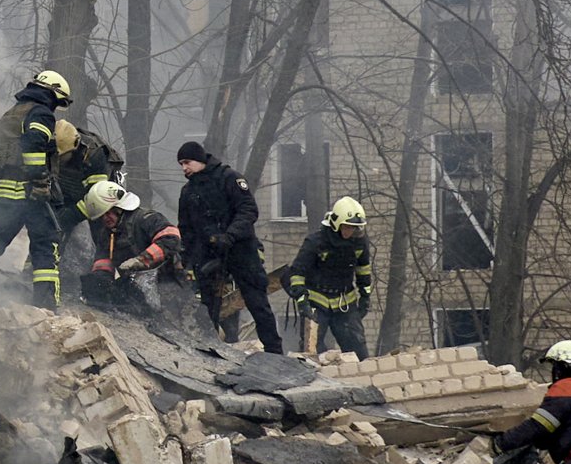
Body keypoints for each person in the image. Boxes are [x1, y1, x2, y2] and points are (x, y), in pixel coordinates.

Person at [0, 70, 72, 309]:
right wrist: (40, 180)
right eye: (58, 101)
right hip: (31, 193)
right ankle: (46, 309)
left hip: (6, 191)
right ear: (52, 93)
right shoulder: (41, 113)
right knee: (44, 246)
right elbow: (33, 144)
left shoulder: (12, 113)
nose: (56, 107)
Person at [176, 141, 284, 353]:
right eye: (181, 164)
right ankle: (207, 353)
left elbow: (248, 210)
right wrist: (188, 261)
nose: (184, 168)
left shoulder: (229, 178)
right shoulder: (188, 192)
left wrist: (230, 236)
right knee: (208, 310)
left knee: (257, 303)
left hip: (241, 251)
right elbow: (186, 229)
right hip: (209, 257)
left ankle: (275, 353)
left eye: (187, 162)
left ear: (200, 159)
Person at [80, 181, 188, 311]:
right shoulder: (107, 235)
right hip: (137, 290)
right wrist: (100, 281)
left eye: (108, 213)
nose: (105, 218)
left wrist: (141, 260)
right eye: (101, 216)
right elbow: (103, 261)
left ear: (119, 208)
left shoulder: (146, 219)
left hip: (168, 283)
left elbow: (171, 238)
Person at [288, 196, 374, 359]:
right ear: (336, 224)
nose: (351, 232)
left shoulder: (359, 243)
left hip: (345, 303)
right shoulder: (316, 242)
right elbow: (297, 272)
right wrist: (302, 301)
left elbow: (363, 270)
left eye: (355, 228)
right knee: (311, 352)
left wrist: (365, 296)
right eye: (347, 227)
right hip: (316, 303)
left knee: (358, 352)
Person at [48, 120, 120, 294]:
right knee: (52, 228)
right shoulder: (53, 147)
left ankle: (102, 282)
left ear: (74, 147)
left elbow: (97, 198)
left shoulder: (94, 155)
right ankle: (42, 272)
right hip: (68, 192)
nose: (58, 160)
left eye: (62, 156)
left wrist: (71, 215)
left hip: (100, 197)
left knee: (101, 233)